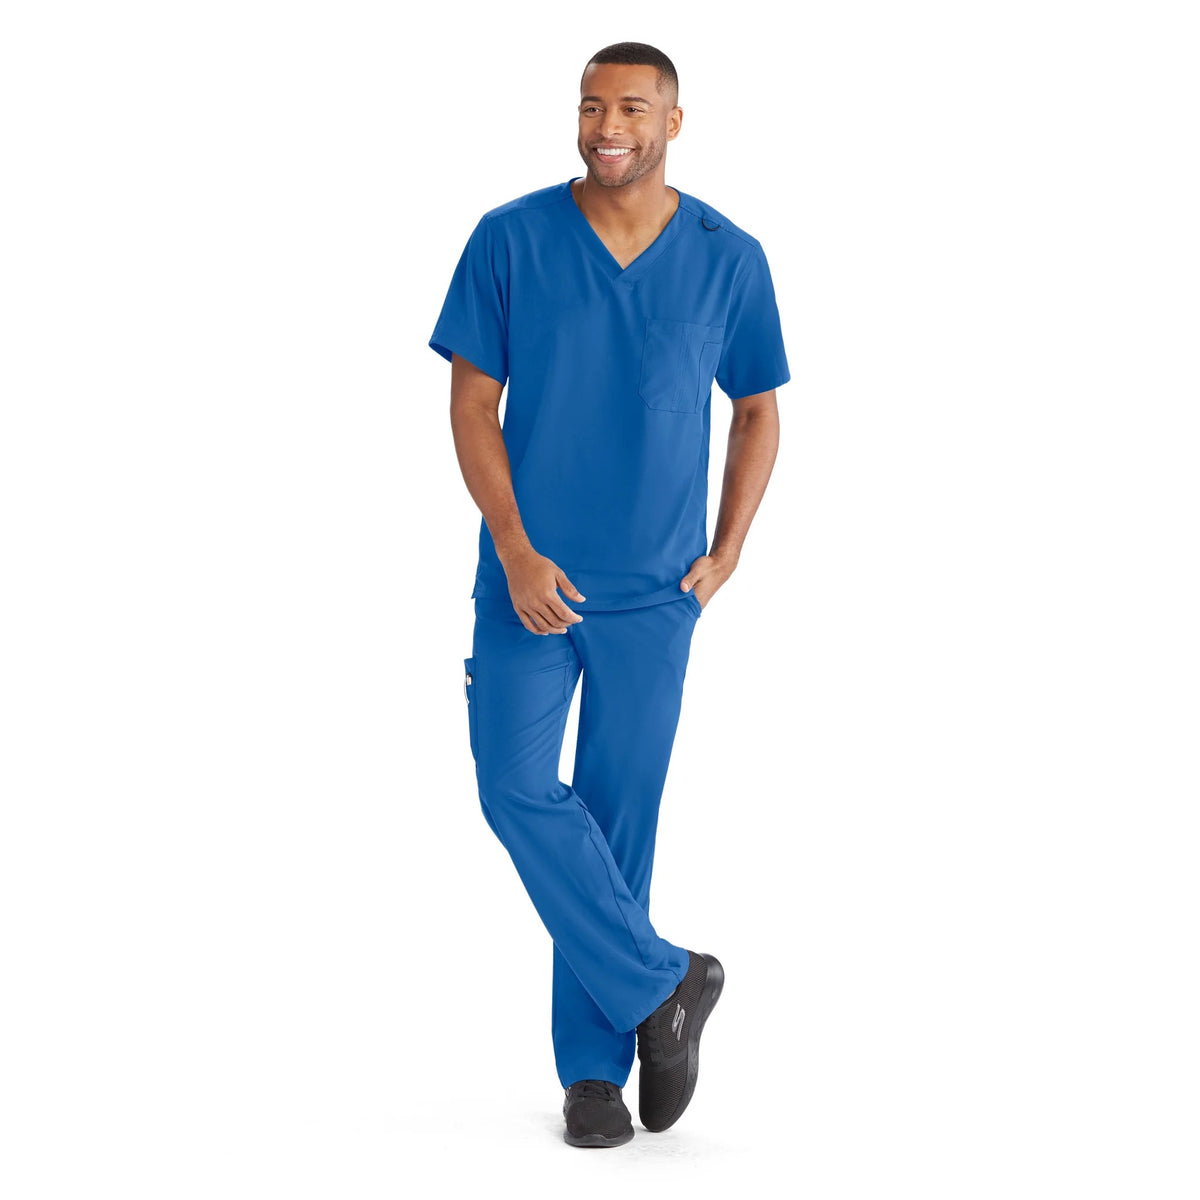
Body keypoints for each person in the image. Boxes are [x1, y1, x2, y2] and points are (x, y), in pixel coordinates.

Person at [428, 41, 790, 1147]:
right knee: (514, 788)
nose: (607, 126)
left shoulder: (728, 256)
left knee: (616, 820)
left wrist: (728, 550)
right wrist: (515, 547)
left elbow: (758, 409)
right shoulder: (511, 239)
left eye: (632, 107)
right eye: (591, 106)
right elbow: (472, 406)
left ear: (675, 121)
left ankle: (593, 1077)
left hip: (654, 597)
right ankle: (663, 983)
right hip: (529, 581)